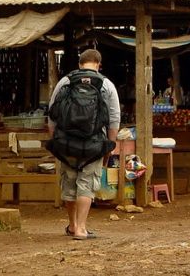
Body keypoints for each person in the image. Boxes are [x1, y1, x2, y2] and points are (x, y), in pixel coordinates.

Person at [48, 49, 120, 240]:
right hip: (93, 144)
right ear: (98, 64)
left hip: (67, 143)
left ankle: (72, 225)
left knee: (70, 184)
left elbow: (52, 114)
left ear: (80, 64)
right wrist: (110, 146)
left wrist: (55, 141)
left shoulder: (66, 82)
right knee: (86, 185)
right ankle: (81, 228)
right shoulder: (106, 85)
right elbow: (114, 119)